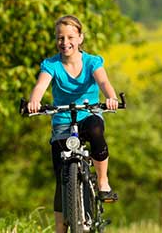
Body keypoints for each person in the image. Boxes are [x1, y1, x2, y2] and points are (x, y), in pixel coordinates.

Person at [26, 15, 120, 233]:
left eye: (70, 37)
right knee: (62, 179)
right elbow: (41, 86)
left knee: (96, 130)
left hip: (88, 115)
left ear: (80, 38)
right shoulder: (51, 64)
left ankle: (103, 180)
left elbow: (103, 81)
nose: (65, 42)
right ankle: (61, 228)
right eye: (60, 38)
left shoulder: (92, 62)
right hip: (62, 120)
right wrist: (34, 101)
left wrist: (111, 97)